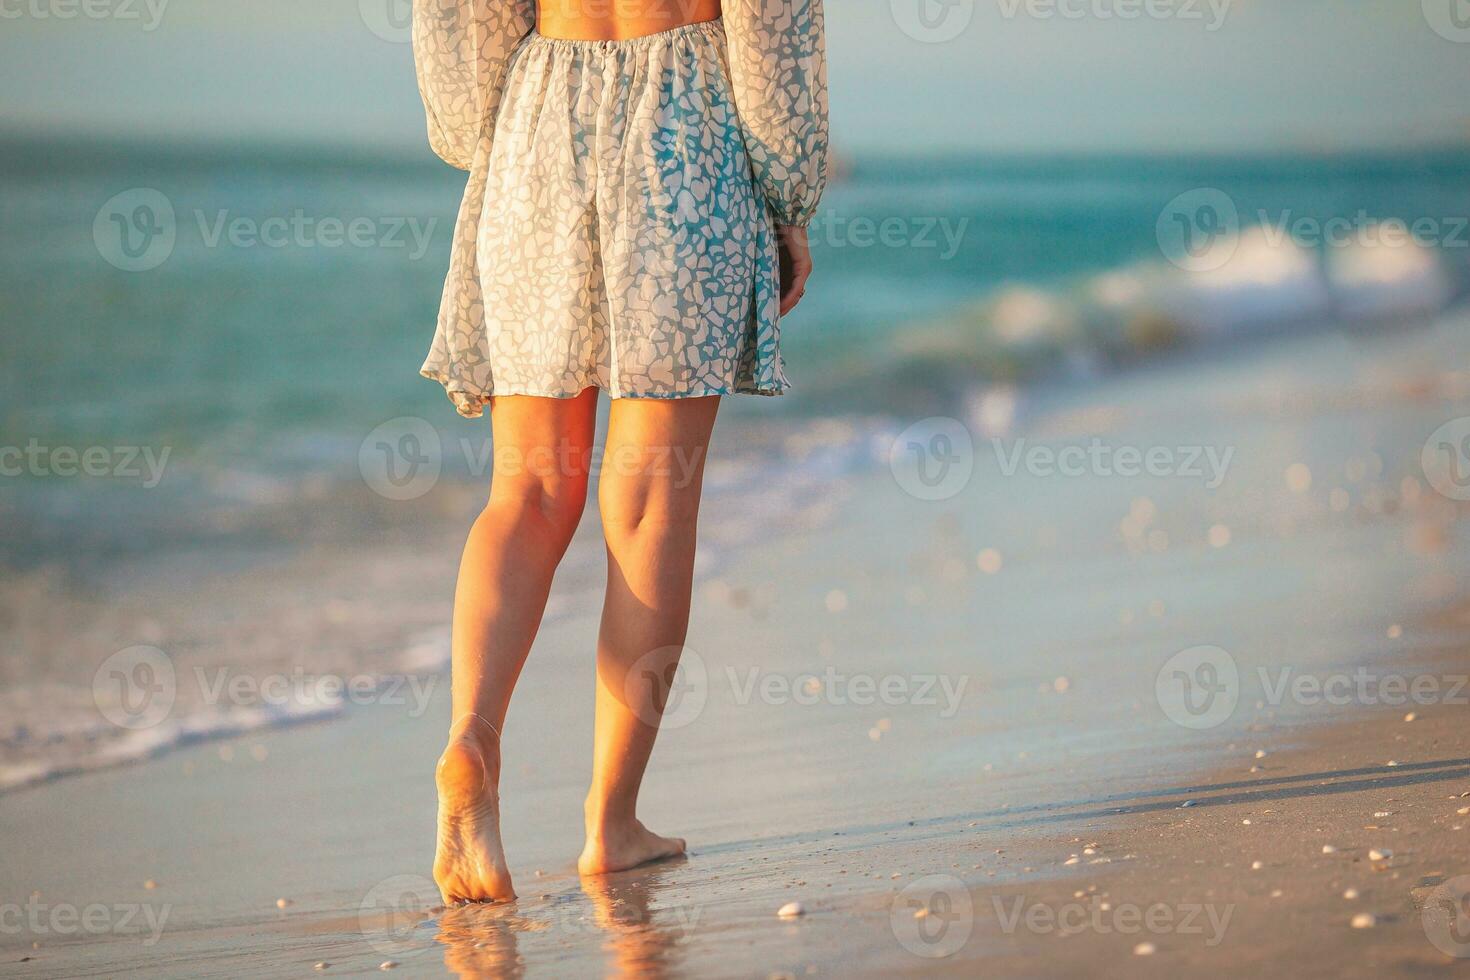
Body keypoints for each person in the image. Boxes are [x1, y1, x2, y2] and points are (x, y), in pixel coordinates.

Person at [411, 0, 828, 903]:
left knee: (524, 492)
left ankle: (473, 737)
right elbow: (771, 28)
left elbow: (459, 28)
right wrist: (788, 198)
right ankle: (611, 823)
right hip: (689, 130)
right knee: (647, 506)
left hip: (535, 118)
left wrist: (487, 131)